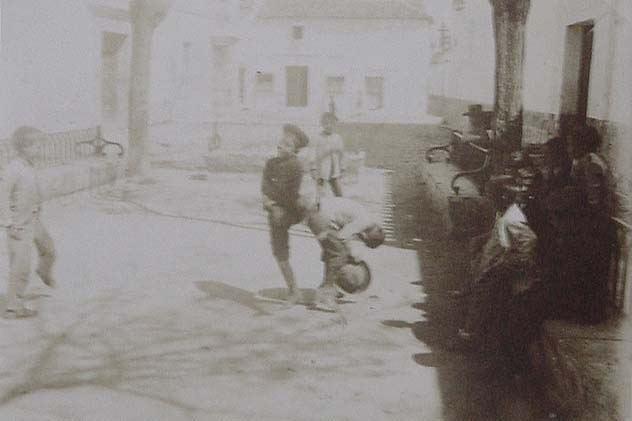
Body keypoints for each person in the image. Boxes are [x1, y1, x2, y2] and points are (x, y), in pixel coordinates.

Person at [4, 126, 57, 319]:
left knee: (49, 250)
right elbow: (2, 195)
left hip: (34, 219)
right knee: (21, 266)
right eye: (36, 146)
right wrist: (9, 223)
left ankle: (43, 271)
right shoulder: (13, 169)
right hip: (19, 225)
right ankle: (13, 307)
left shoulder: (29, 165)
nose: (39, 150)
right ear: (23, 147)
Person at [303, 196, 385, 312]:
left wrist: (349, 252)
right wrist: (352, 254)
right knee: (337, 254)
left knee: (333, 251)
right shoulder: (364, 223)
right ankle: (325, 295)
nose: (362, 238)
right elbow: (342, 237)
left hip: (318, 212)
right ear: (370, 236)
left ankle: (330, 288)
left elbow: (344, 236)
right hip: (321, 217)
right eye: (365, 240)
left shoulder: (368, 219)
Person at [261, 124, 310, 305]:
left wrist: (273, 200)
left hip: (294, 209)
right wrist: (268, 202)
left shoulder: (296, 166)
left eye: (288, 145)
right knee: (279, 252)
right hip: (276, 211)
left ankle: (337, 280)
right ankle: (294, 291)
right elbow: (265, 187)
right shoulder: (270, 163)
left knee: (326, 236)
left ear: (295, 150)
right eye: (281, 142)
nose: (282, 146)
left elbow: (287, 194)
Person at [310, 112, 346, 199]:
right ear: (322, 124)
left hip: (334, 171)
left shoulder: (338, 138)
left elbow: (341, 154)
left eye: (331, 123)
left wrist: (343, 167)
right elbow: (312, 155)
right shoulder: (317, 138)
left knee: (339, 194)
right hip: (322, 170)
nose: (329, 126)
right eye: (326, 123)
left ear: (335, 124)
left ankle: (339, 208)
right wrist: (313, 169)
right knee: (320, 193)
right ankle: (319, 207)